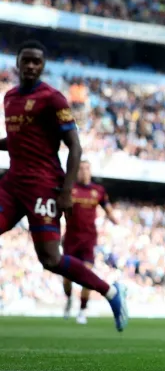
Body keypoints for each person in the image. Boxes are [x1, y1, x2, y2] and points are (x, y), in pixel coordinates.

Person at [0, 41, 128, 331]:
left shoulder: (53, 99)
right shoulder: (9, 98)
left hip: (44, 187)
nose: (31, 66)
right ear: (17, 63)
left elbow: (75, 147)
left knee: (51, 259)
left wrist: (67, 191)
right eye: (27, 61)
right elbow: (19, 142)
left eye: (37, 62)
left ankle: (111, 291)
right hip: (12, 183)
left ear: (42, 66)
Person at [62, 159, 118, 324]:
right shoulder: (70, 189)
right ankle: (69, 298)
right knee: (67, 278)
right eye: (81, 168)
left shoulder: (98, 190)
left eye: (87, 168)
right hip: (71, 239)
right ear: (76, 171)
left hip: (88, 240)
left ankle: (82, 310)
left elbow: (107, 208)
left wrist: (114, 218)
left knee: (87, 274)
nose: (84, 171)